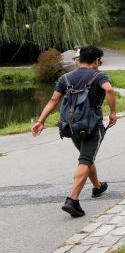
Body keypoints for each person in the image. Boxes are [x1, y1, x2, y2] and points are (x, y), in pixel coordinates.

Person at [31, 45, 117, 218]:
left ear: (80, 59)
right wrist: (113, 112)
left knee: (86, 156)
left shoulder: (65, 78)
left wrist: (41, 120)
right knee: (85, 159)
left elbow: (53, 100)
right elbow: (108, 89)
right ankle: (73, 200)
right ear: (97, 61)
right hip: (92, 126)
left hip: (71, 126)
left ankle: (97, 186)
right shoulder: (99, 75)